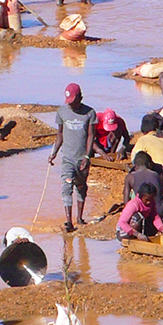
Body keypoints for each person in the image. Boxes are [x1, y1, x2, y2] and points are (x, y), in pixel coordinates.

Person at [48, 82, 97, 232]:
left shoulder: (90, 113)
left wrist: (87, 157)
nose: (71, 105)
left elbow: (91, 136)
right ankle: (68, 221)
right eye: (69, 102)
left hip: (82, 158)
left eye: (74, 101)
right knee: (66, 186)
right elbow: (60, 134)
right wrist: (54, 153)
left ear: (80, 97)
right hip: (67, 158)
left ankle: (79, 218)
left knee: (81, 186)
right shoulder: (62, 112)